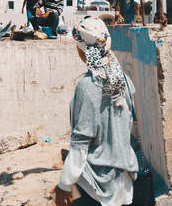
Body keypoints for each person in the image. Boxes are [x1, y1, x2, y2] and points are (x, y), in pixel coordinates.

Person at [50, 17, 138, 206]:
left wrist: (65, 184)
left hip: (97, 185)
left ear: (83, 50)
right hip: (124, 180)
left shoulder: (88, 85)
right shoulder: (124, 80)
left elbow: (81, 140)